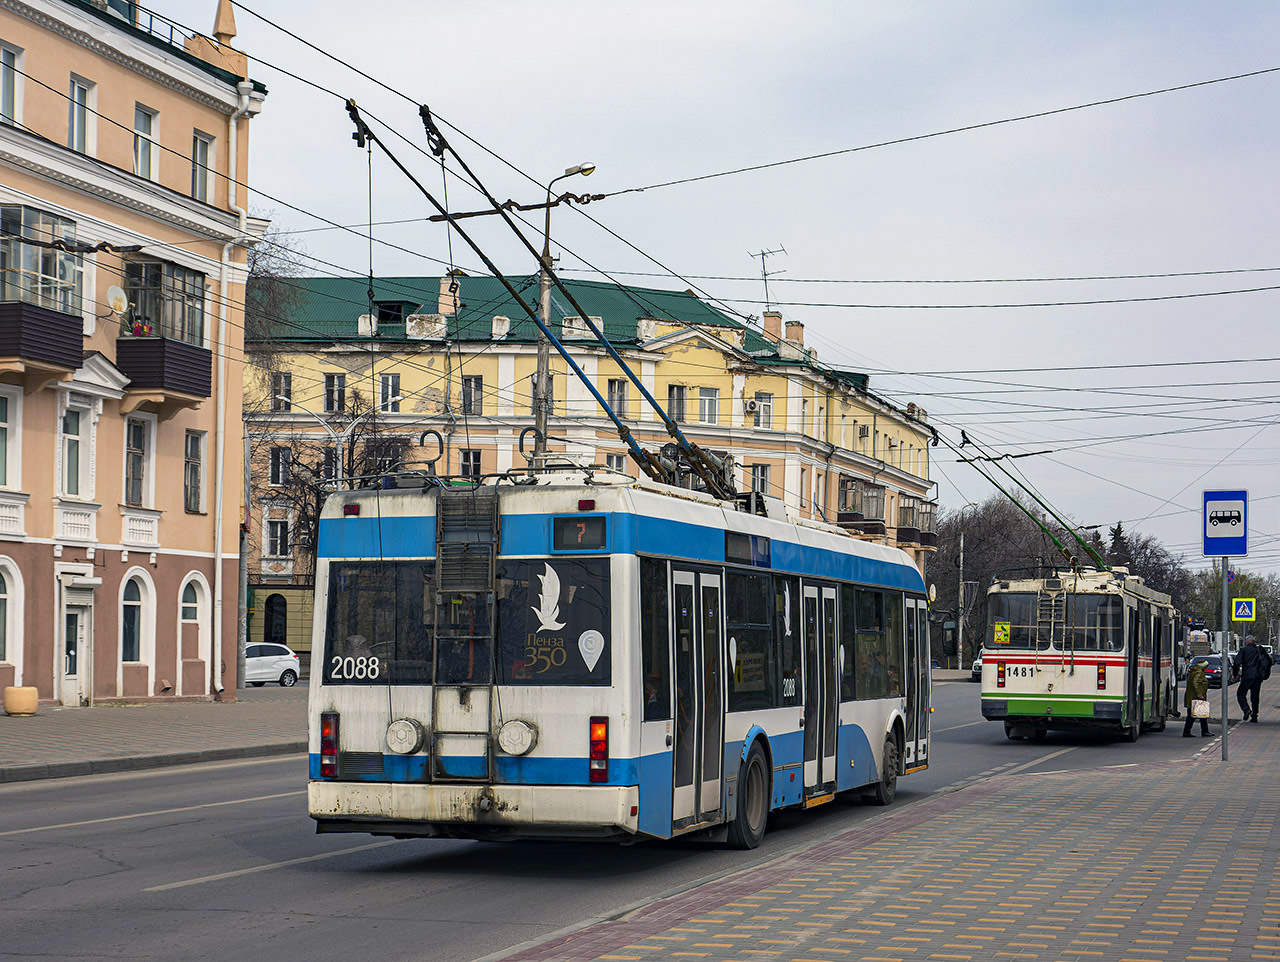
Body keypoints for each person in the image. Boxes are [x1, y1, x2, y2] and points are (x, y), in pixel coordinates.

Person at [1233, 634, 1270, 723]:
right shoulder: (1260, 649)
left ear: (1248, 641)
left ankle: (1246, 710)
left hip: (1247, 676)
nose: (1245, 642)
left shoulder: (1244, 650)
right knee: (1255, 696)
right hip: (1258, 676)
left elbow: (1236, 663)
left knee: (1241, 694)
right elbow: (1268, 660)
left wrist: (1235, 674)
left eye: (1246, 641)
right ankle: (1254, 716)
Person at [1183, 657, 1213, 737]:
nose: (1207, 669)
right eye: (1206, 667)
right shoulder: (1199, 673)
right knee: (1197, 715)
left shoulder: (1195, 671)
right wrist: (1199, 694)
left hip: (1193, 696)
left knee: (1196, 715)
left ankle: (1202, 731)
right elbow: (1195, 683)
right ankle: (1202, 731)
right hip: (1196, 697)